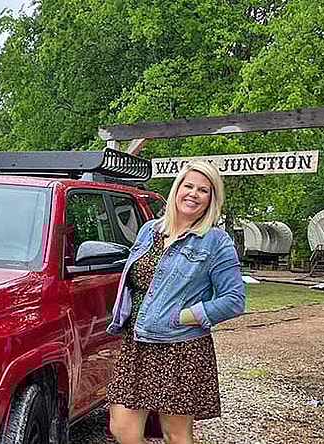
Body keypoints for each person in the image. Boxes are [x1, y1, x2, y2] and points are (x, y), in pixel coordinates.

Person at [105, 160, 246, 444]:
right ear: (176, 189)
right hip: (138, 344)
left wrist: (180, 317)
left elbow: (234, 300)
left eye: (203, 190)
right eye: (188, 186)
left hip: (180, 348)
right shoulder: (149, 231)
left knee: (176, 435)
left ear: (211, 199)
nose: (193, 194)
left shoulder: (216, 241)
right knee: (122, 428)